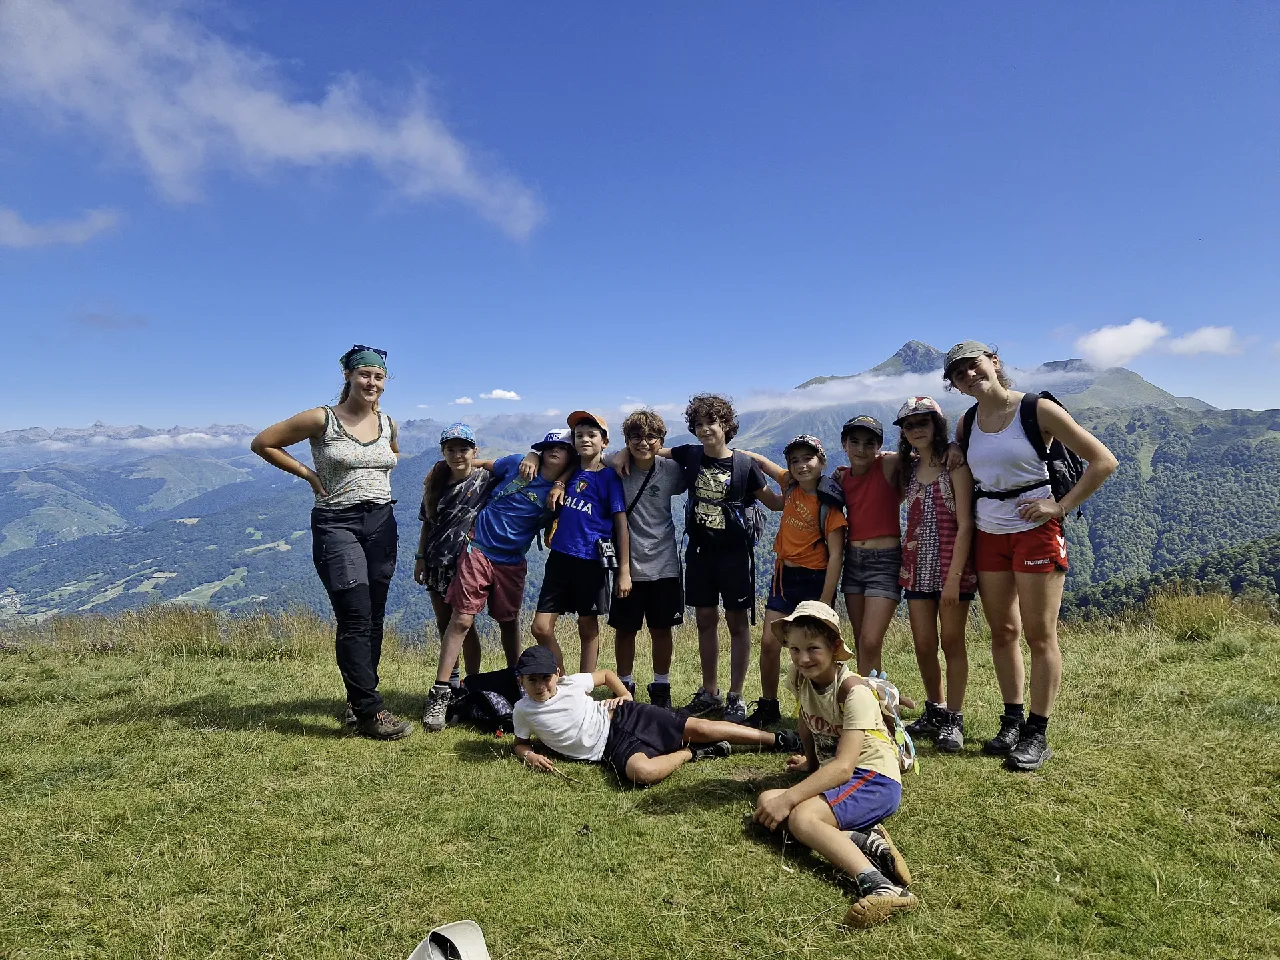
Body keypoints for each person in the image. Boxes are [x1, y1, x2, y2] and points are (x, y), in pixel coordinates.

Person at [946, 340, 1117, 770]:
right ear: (955, 385)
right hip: (989, 531)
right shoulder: (967, 423)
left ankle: (1037, 732)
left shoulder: (1036, 409)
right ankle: (1012, 720)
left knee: (1040, 636)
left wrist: (1060, 506)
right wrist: (954, 450)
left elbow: (1103, 460)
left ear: (994, 362)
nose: (969, 375)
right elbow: (966, 462)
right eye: (958, 374)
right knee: (1003, 631)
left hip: (1036, 532)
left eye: (973, 365)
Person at [250, 345, 410, 740]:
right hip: (337, 523)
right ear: (348, 376)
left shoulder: (388, 423)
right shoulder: (322, 418)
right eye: (364, 374)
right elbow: (264, 442)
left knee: (374, 616)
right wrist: (308, 474)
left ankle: (360, 698)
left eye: (378, 376)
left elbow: (392, 456)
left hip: (382, 522)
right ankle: (370, 712)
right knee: (355, 615)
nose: (371, 382)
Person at [619, 394, 782, 723]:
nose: (705, 429)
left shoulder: (744, 466)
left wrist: (769, 465)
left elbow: (776, 503)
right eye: (699, 424)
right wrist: (624, 450)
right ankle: (710, 693)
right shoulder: (690, 455)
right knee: (705, 621)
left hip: (735, 556)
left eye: (712, 422)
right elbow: (652, 450)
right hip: (699, 554)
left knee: (737, 624)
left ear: (726, 425)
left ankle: (735, 696)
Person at [753, 601, 916, 928]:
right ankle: (866, 840)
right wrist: (811, 763)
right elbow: (805, 720)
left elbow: (844, 767)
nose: (803, 658)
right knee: (767, 801)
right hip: (845, 776)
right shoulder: (800, 677)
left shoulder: (853, 692)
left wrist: (792, 797)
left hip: (874, 779)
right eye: (794, 649)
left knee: (800, 817)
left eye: (813, 648)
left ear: (834, 648)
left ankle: (881, 885)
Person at [421, 430, 577, 732]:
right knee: (461, 619)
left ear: (570, 456)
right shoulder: (518, 463)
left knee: (508, 621)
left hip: (512, 561)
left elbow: (586, 465)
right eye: (548, 447)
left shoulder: (565, 488)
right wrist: (441, 468)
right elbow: (484, 464)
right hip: (477, 548)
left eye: (561, 447)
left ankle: (518, 681)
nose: (553, 451)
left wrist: (560, 482)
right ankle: (441, 692)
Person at [511, 645, 801, 786]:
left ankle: (776, 739)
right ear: (521, 681)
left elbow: (606, 674)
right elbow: (520, 744)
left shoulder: (571, 683)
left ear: (557, 674)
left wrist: (624, 695)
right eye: (531, 680)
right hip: (609, 748)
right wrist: (530, 756)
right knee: (641, 773)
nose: (540, 685)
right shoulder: (522, 711)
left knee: (700, 728)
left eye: (545, 677)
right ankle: (693, 753)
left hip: (626, 715)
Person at [743, 435, 847, 730]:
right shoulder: (790, 486)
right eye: (794, 461)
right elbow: (764, 464)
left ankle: (817, 709)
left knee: (813, 649)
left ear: (822, 462)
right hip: (783, 577)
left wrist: (825, 601)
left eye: (808, 459)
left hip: (814, 581)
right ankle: (768, 705)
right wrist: (734, 452)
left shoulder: (829, 505)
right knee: (769, 642)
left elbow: (836, 555)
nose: (801, 466)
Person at [894, 397, 976, 753]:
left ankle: (954, 717)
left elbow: (966, 524)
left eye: (922, 423)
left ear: (936, 425)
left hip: (949, 567)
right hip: (916, 568)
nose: (916, 430)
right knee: (924, 643)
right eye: (909, 425)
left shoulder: (954, 464)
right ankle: (935, 707)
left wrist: (955, 577)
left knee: (952, 642)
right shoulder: (909, 469)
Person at [531, 411, 631, 674]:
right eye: (579, 435)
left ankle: (584, 687)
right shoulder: (570, 469)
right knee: (540, 627)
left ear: (604, 442)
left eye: (591, 435)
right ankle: (562, 679)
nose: (585, 439)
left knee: (587, 626)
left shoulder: (610, 477)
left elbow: (621, 524)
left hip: (592, 560)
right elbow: (541, 459)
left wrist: (624, 570)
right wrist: (558, 481)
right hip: (560, 557)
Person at [608, 408, 688, 707]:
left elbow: (700, 461)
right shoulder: (615, 466)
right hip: (627, 566)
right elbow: (586, 455)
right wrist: (621, 454)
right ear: (626, 440)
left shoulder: (672, 471)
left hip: (665, 563)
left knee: (661, 629)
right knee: (625, 629)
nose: (643, 442)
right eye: (636, 437)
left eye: (651, 437)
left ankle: (661, 686)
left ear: (661, 440)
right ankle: (624, 685)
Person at [414, 423, 489, 685]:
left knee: (465, 624)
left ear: (474, 451)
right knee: (444, 622)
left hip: (467, 564)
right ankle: (453, 682)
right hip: (436, 561)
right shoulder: (435, 484)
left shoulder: (484, 479)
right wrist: (420, 558)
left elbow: (513, 464)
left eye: (463, 450)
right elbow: (427, 523)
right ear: (443, 452)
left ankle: (473, 681)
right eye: (451, 450)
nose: (457, 455)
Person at [835, 415, 903, 676]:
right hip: (853, 560)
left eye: (869, 443)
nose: (861, 449)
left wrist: (953, 450)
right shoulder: (842, 478)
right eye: (854, 442)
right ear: (844, 444)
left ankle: (876, 695)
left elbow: (921, 454)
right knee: (861, 638)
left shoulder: (886, 465)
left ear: (879, 446)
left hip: (885, 560)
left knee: (871, 640)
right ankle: (870, 695)